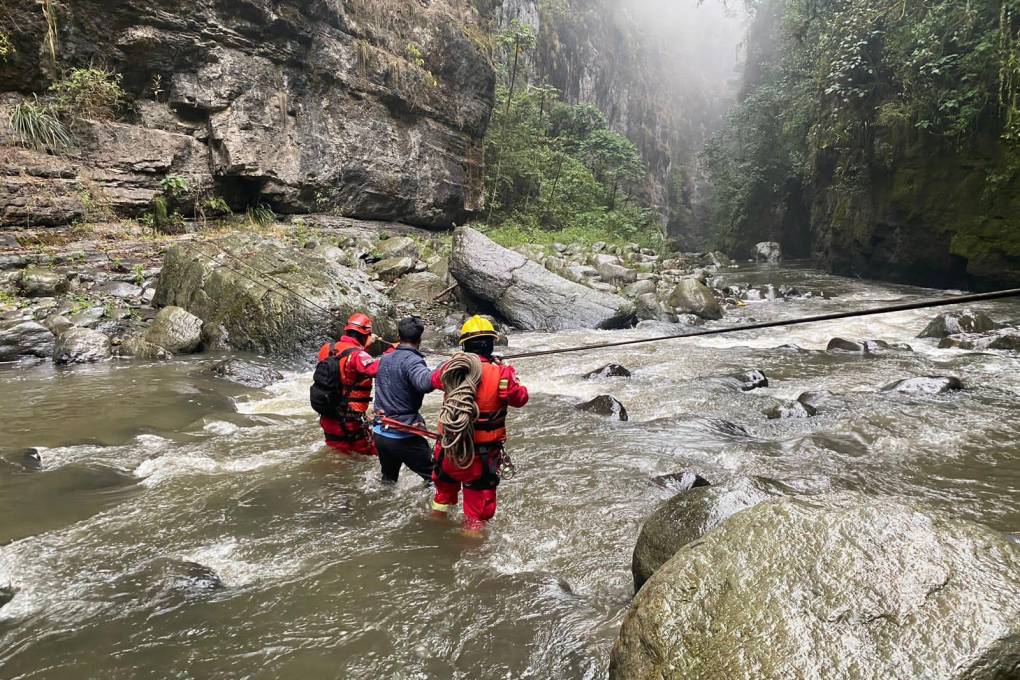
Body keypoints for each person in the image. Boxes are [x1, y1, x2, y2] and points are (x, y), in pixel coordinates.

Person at [429, 316, 528, 529]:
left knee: (442, 497)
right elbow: (520, 399)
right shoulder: (502, 373)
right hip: (480, 457)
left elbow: (433, 379)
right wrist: (506, 368)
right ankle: (472, 557)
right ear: (492, 344)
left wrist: (453, 361)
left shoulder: (451, 370)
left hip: (449, 451)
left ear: (464, 345)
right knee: (476, 518)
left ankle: (433, 532)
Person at [371, 316, 437, 484]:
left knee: (388, 481)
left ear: (398, 336)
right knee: (436, 478)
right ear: (420, 339)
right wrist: (446, 367)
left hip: (380, 434)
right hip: (403, 435)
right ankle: (431, 510)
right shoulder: (414, 361)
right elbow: (425, 383)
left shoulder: (384, 359)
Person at [313, 312, 385, 456]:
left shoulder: (327, 348)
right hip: (349, 419)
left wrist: (363, 349)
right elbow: (380, 369)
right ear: (366, 335)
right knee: (370, 454)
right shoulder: (358, 355)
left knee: (337, 452)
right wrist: (393, 352)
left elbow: (345, 365)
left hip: (328, 414)